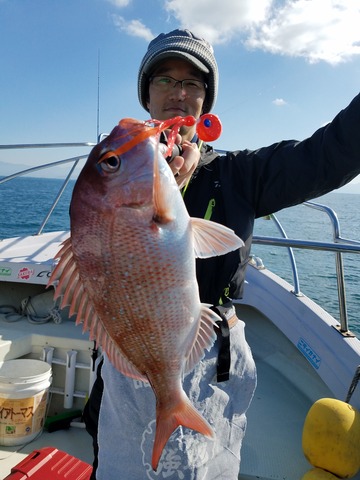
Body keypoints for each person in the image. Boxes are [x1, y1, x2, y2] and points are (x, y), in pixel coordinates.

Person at [83, 29, 360, 479]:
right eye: (165, 80)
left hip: (213, 355)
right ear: (146, 96)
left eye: (192, 83)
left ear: (205, 101)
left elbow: (326, 155)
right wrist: (151, 175)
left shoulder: (239, 175)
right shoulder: (114, 175)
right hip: (131, 356)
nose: (179, 92)